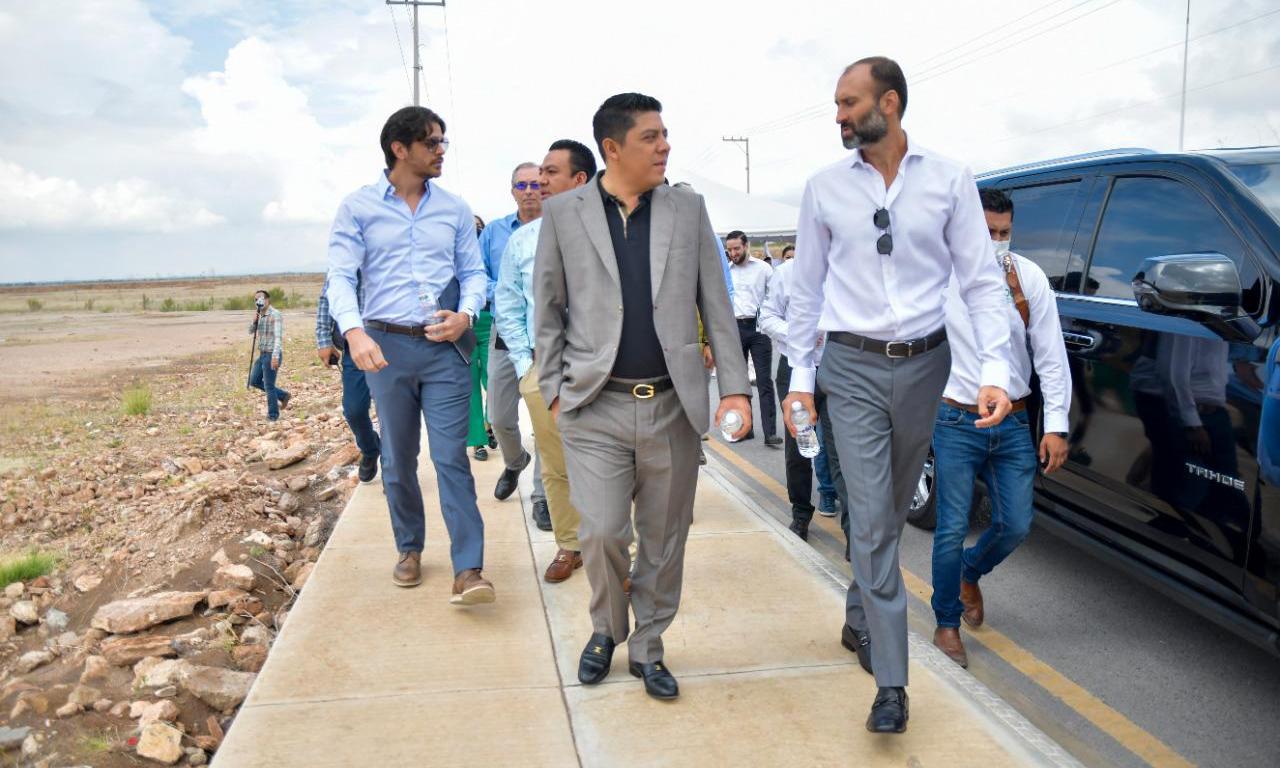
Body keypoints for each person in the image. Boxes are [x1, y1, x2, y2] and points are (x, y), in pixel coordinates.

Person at [783, 57, 1013, 733]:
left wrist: (994, 368)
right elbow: (805, 290)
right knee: (874, 519)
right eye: (837, 104)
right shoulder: (824, 188)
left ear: (889, 102)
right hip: (850, 366)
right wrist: (801, 381)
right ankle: (892, 682)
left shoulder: (949, 179)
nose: (838, 115)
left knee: (885, 507)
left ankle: (860, 612)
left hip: (926, 367)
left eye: (848, 102)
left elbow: (980, 281)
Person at [534, 93, 750, 701]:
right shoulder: (564, 213)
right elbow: (546, 309)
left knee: (664, 538)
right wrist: (554, 391)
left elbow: (716, 304)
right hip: (594, 404)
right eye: (651, 137)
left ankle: (650, 646)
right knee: (602, 532)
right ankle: (607, 628)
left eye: (664, 134)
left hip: (672, 405)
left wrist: (735, 389)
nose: (664, 146)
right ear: (613, 148)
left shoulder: (687, 208)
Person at [326, 105, 494, 605]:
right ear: (400, 149)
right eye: (431, 143)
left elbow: (475, 273)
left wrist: (466, 314)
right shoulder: (358, 208)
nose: (441, 151)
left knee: (450, 459)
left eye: (443, 141)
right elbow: (340, 276)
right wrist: (354, 333)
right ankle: (409, 547)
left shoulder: (455, 209)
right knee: (398, 459)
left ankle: (469, 568)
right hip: (386, 348)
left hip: (444, 348)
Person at [929, 187, 1071, 668]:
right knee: (951, 527)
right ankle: (946, 622)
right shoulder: (938, 277)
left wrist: (1056, 425)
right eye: (987, 232)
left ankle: (970, 571)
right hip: (956, 418)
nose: (996, 241)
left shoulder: (1026, 278)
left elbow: (1051, 356)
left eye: (1004, 232)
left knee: (1015, 524)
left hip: (1012, 421)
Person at [495, 139, 597, 583]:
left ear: (580, 180)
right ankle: (569, 544)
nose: (538, 185)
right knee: (556, 464)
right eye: (535, 177)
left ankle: (617, 549)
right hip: (544, 368)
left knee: (611, 460)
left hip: (600, 365)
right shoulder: (522, 241)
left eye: (549, 174)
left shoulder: (608, 234)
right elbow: (508, 304)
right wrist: (524, 366)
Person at [481, 163, 550, 528]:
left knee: (544, 420)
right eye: (522, 185)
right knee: (499, 416)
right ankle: (514, 461)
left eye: (536, 184)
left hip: (544, 339)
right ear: (512, 191)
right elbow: (477, 275)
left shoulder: (557, 229)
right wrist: (508, 290)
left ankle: (543, 497)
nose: (529, 191)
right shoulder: (494, 232)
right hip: (505, 333)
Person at [757, 246, 816, 538]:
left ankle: (853, 527)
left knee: (843, 449)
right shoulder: (786, 274)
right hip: (794, 367)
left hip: (838, 368)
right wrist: (799, 335)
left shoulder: (846, 269)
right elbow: (767, 318)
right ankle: (801, 513)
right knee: (800, 445)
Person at [316, 274, 381, 483]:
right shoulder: (345, 259)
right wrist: (324, 340)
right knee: (354, 409)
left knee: (391, 409)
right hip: (355, 345)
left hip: (393, 342)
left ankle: (394, 468)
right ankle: (370, 448)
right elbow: (328, 297)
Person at [726, 230, 782, 447]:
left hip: (759, 329)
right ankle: (744, 428)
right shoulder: (726, 270)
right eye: (730, 250)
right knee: (740, 383)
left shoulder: (763, 269)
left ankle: (770, 433)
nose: (733, 253)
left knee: (764, 381)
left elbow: (775, 296)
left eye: (736, 249)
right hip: (734, 329)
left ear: (746, 246)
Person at [468, 214, 497, 461]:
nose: (474, 231)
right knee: (470, 384)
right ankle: (477, 440)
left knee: (495, 380)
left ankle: (490, 423)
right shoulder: (454, 253)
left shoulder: (489, 251)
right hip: (464, 325)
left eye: (478, 226)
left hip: (489, 319)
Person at [248, 289, 291, 421]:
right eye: (256, 300)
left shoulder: (275, 314)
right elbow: (250, 331)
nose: (258, 301)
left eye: (260, 299)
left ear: (267, 300)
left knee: (269, 385)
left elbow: (278, 337)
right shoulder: (259, 314)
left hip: (272, 353)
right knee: (254, 380)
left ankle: (273, 415)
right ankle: (283, 395)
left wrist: (275, 356)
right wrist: (254, 321)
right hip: (262, 354)